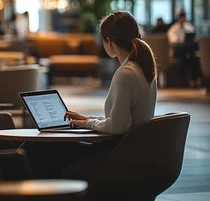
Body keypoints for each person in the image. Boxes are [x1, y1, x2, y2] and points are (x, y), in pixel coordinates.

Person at [24, 11, 158, 178]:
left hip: (116, 154)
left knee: (36, 147)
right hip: (131, 151)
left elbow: (118, 126)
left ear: (108, 40)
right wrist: (86, 119)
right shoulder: (144, 69)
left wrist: (88, 123)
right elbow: (125, 120)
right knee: (46, 148)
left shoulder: (126, 73)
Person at [167, 12, 201, 86]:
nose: (183, 19)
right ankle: (187, 78)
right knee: (183, 49)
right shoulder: (173, 28)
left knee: (192, 54)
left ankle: (194, 78)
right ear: (179, 18)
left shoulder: (189, 27)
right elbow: (172, 40)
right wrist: (181, 40)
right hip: (178, 50)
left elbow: (194, 37)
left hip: (188, 50)